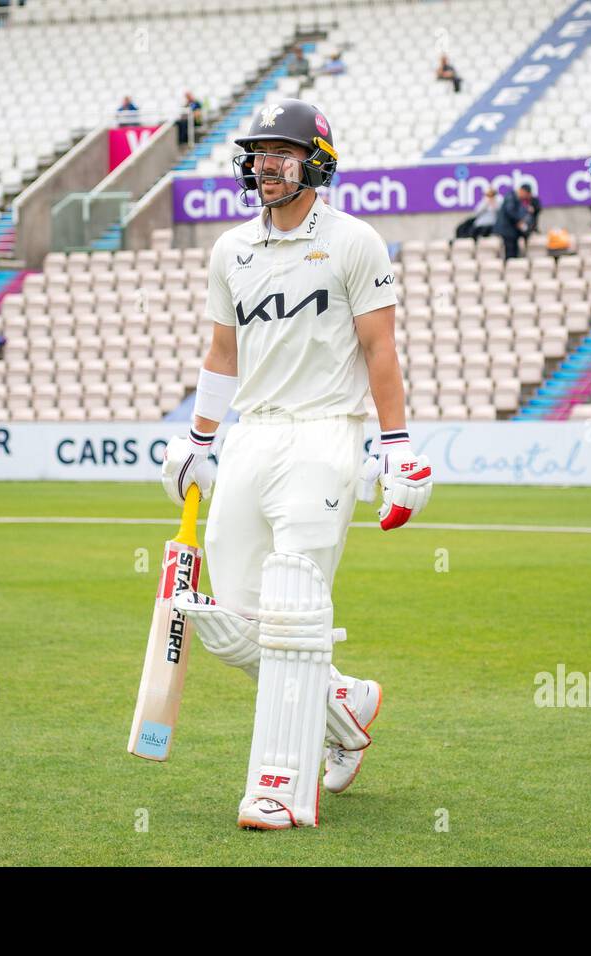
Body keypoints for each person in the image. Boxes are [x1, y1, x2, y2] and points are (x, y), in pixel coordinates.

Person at [159, 98, 433, 831]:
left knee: (292, 613)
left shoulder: (354, 241)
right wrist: (200, 438)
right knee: (236, 622)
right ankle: (345, 706)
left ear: (317, 160)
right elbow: (223, 352)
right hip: (252, 437)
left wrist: (397, 447)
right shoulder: (230, 251)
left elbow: (381, 350)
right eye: (258, 153)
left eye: (282, 152)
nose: (266, 165)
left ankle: (280, 788)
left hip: (325, 436)